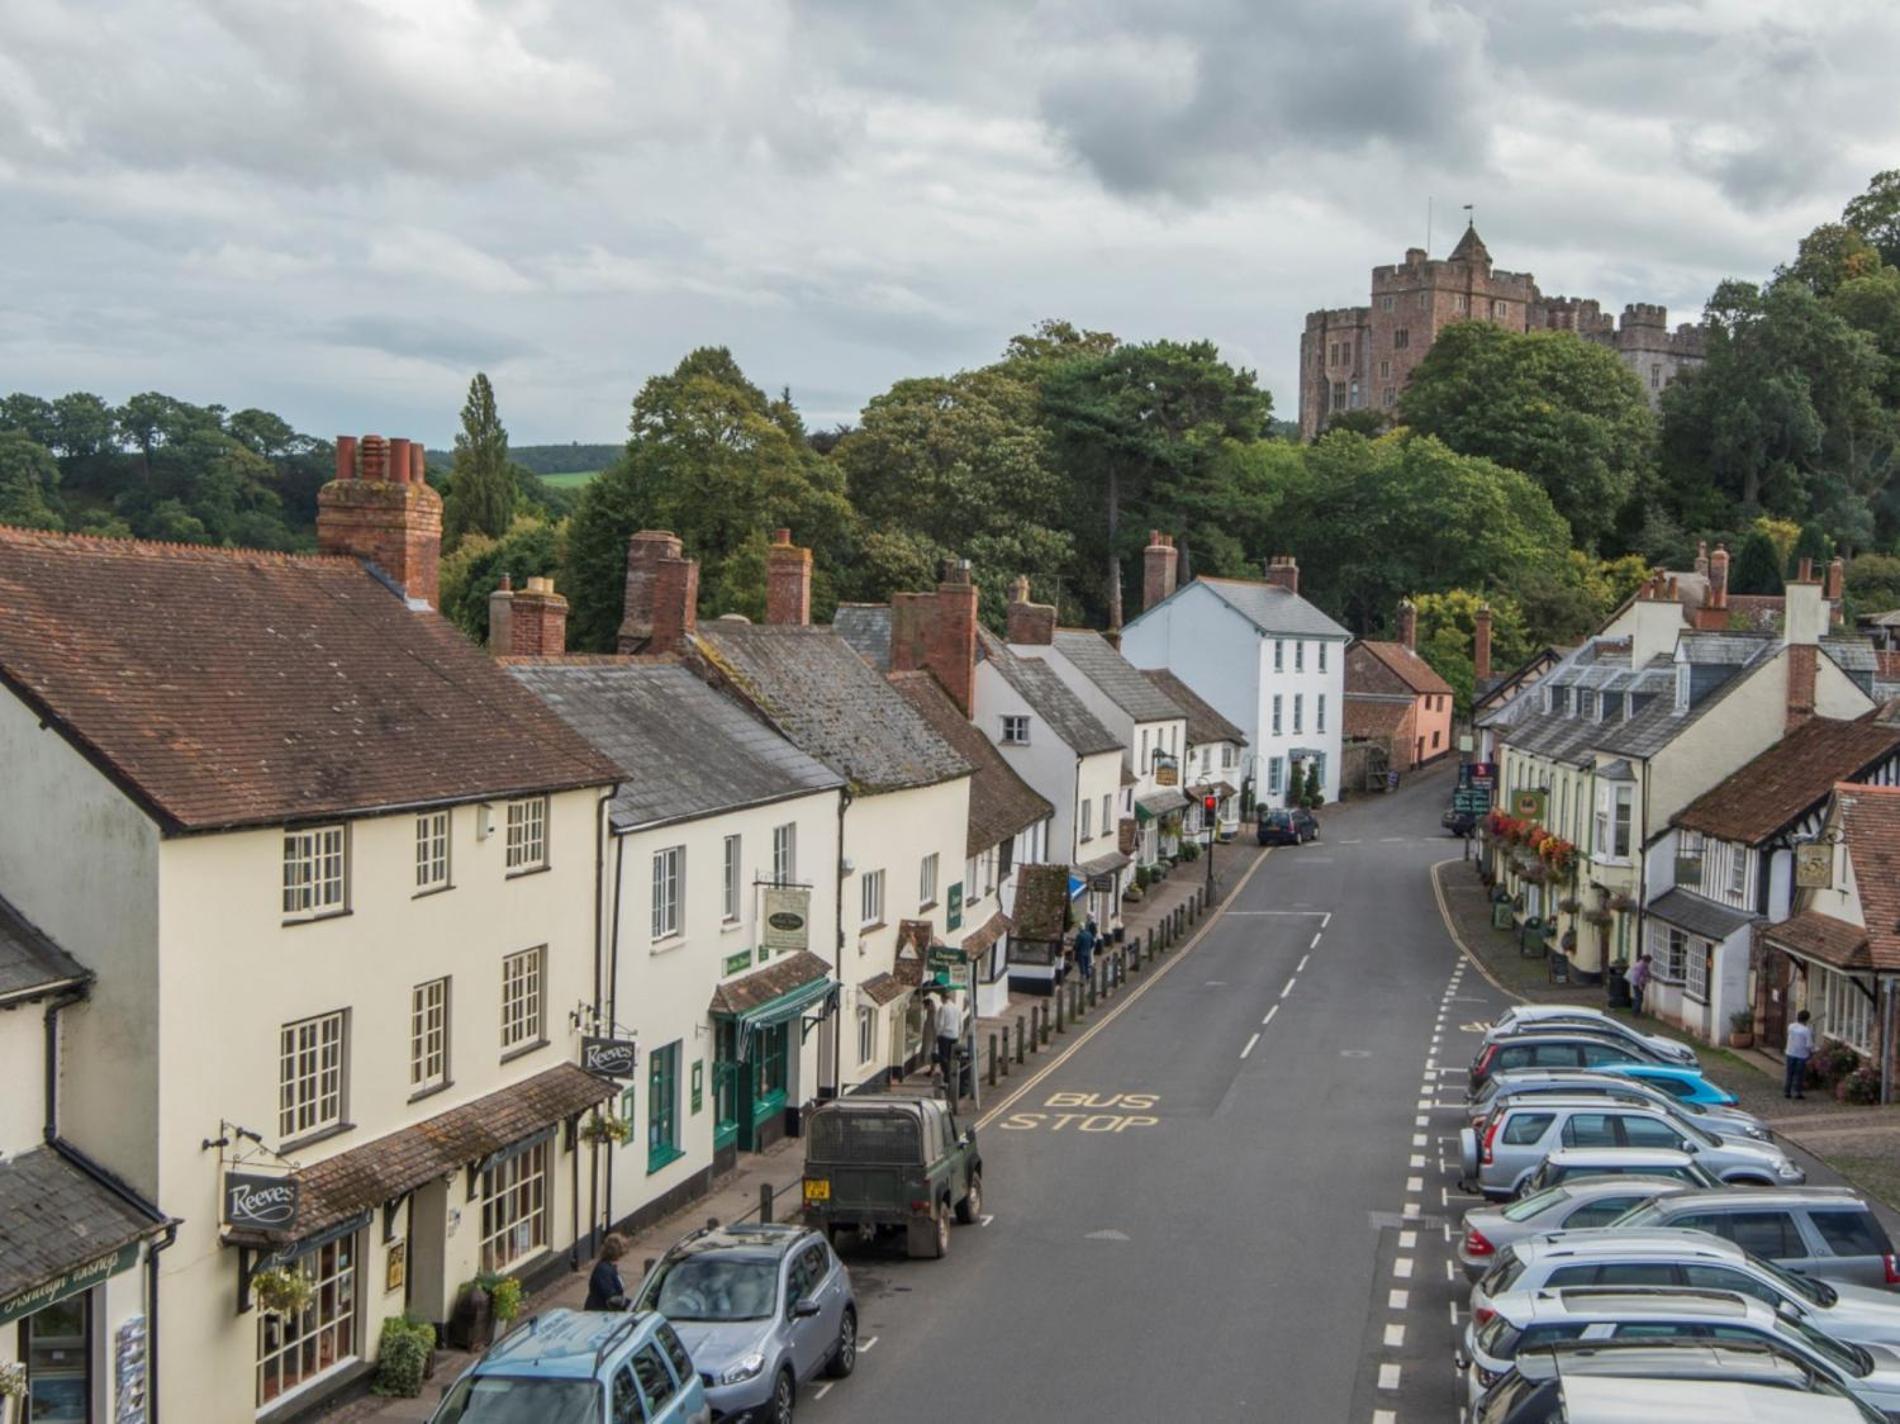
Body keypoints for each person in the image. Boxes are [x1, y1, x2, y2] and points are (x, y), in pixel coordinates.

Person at [585, 1233, 628, 1311]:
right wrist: (628, 1303)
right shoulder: (604, 1270)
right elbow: (611, 1296)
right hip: (599, 1313)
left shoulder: (609, 1267)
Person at [1784, 1009, 1815, 1100]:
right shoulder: (1806, 1030)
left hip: (1790, 1052)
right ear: (1807, 1019)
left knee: (1790, 1073)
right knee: (1799, 1074)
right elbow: (1809, 1045)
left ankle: (1787, 1091)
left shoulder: (1791, 1026)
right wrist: (1812, 1051)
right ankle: (1797, 1092)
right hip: (1801, 1055)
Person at [934, 992, 963, 1084]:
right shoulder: (957, 1008)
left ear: (943, 998)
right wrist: (959, 1034)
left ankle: (947, 1076)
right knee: (952, 1057)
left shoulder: (943, 1008)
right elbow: (960, 1024)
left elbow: (941, 1024)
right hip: (955, 1035)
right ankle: (953, 1075)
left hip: (944, 1036)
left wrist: (937, 1035)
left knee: (944, 1057)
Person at [1073, 918, 1097, 983]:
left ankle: (1082, 980)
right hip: (1087, 952)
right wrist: (1089, 948)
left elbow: (1077, 945)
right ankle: (1088, 977)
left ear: (1080, 928)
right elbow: (1093, 943)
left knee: (1082, 966)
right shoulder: (1089, 934)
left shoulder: (1079, 936)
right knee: (1087, 965)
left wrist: (1074, 948)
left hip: (1081, 953)